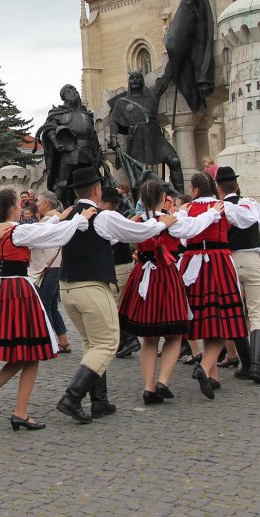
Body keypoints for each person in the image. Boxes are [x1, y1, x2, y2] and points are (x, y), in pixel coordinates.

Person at [54, 167, 173, 425]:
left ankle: (100, 401)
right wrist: (161, 223)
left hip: (67, 288)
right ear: (97, 190)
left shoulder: (69, 216)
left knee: (91, 343)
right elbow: (136, 232)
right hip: (91, 287)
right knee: (107, 343)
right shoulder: (101, 216)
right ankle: (72, 397)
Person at [0, 189, 91, 431]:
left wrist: (61, 217)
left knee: (24, 352)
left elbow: (41, 230)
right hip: (18, 290)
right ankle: (19, 412)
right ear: (14, 208)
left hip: (3, 289)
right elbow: (47, 234)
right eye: (19, 204)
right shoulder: (17, 230)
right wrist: (79, 219)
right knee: (31, 352)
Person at [117, 179, 190, 404]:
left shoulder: (137, 221)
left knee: (149, 338)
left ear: (141, 200)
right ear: (162, 198)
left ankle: (148, 387)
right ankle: (163, 380)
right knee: (175, 332)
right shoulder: (172, 221)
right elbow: (192, 230)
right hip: (166, 276)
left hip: (143, 276)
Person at [175, 172, 245, 400]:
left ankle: (213, 376)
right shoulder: (221, 206)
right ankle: (206, 368)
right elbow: (253, 221)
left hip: (192, 265)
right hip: (219, 261)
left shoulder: (188, 210)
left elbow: (182, 236)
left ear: (194, 190)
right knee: (221, 318)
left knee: (205, 317)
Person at [216, 166, 260, 384]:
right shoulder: (249, 203)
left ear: (219, 189)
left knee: (235, 313)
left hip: (229, 260)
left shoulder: (218, 207)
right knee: (256, 313)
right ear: (237, 185)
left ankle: (246, 364)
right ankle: (258, 366)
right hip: (251, 258)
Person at [102, 186, 141, 360]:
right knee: (117, 304)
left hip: (119, 266)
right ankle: (123, 340)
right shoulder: (110, 217)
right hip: (118, 265)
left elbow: (118, 237)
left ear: (108, 204)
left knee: (114, 305)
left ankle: (129, 338)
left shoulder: (113, 218)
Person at [30, 191, 70, 352]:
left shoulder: (50, 220)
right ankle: (63, 341)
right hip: (54, 266)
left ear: (47, 203)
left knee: (45, 304)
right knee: (51, 305)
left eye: (39, 202)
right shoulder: (56, 218)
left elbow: (34, 235)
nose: (37, 204)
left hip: (48, 266)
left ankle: (49, 341)